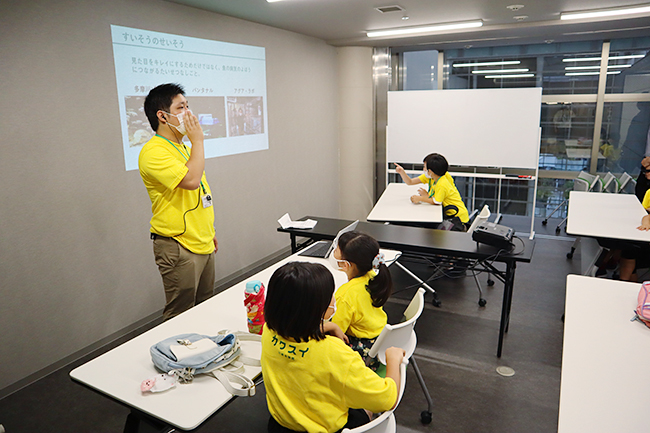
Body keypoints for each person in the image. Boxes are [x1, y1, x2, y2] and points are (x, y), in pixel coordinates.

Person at [262, 262, 405, 433]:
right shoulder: (336, 353)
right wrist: (393, 359)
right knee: (364, 408)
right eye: (330, 295)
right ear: (316, 308)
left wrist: (328, 327)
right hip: (328, 429)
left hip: (280, 424)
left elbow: (295, 326)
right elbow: (388, 399)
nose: (334, 299)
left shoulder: (268, 331)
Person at [139, 83, 218, 320]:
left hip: (202, 238)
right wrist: (199, 141)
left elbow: (198, 193)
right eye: (181, 107)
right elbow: (192, 180)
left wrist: (208, 230)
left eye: (188, 106)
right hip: (178, 244)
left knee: (205, 308)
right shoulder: (153, 152)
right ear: (162, 116)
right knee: (180, 314)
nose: (189, 113)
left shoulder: (182, 147)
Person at [325, 231, 392, 371]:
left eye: (336, 250)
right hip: (382, 340)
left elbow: (336, 333)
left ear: (346, 265)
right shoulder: (374, 276)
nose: (333, 251)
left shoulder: (345, 294)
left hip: (365, 351)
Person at [394, 153, 470, 228]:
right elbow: (410, 182)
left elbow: (437, 201)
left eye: (424, 167)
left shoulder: (442, 183)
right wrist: (402, 172)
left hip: (457, 218)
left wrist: (421, 198)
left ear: (430, 171)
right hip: (446, 214)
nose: (423, 169)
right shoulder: (432, 176)